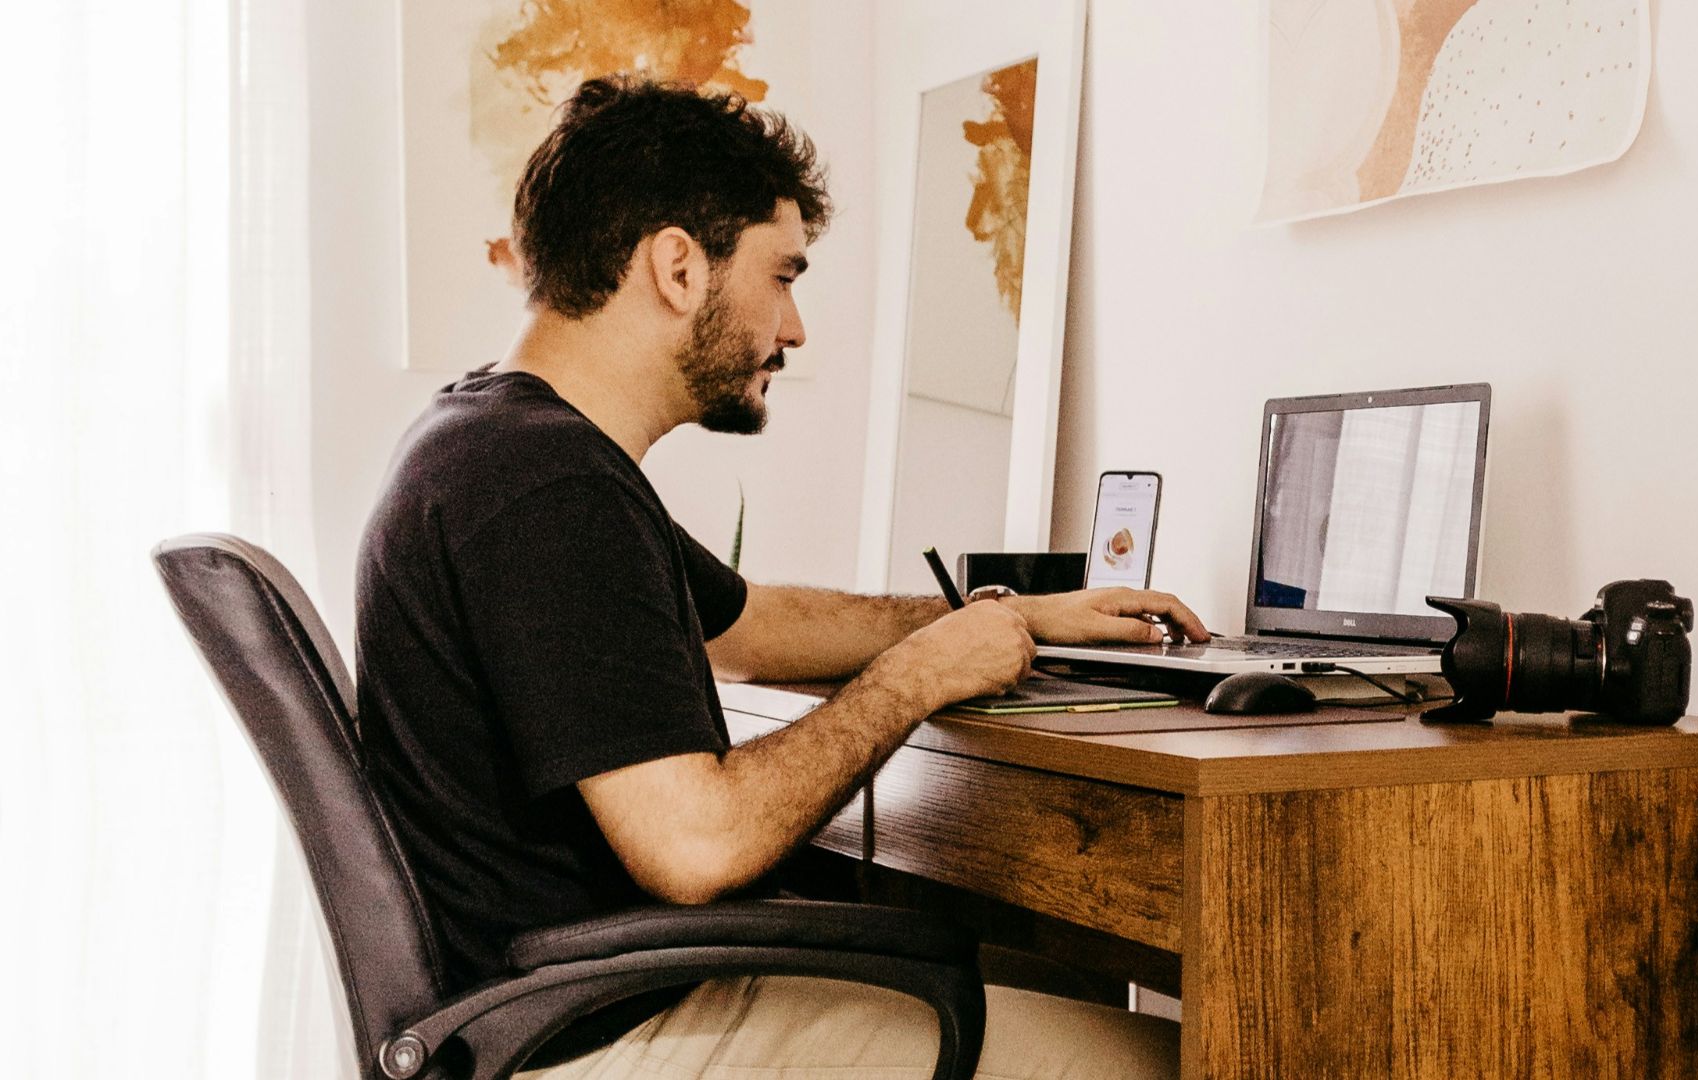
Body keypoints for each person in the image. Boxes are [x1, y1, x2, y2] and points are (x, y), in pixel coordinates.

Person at [355, 75, 1210, 1079]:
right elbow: (699, 847)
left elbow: (755, 626)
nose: (794, 328)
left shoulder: (499, 441)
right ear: (677, 267)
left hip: (562, 1000)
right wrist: (917, 677)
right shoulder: (548, 486)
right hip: (606, 1036)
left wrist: (1016, 614)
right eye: (783, 276)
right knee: (1186, 1058)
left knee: (1050, 981)